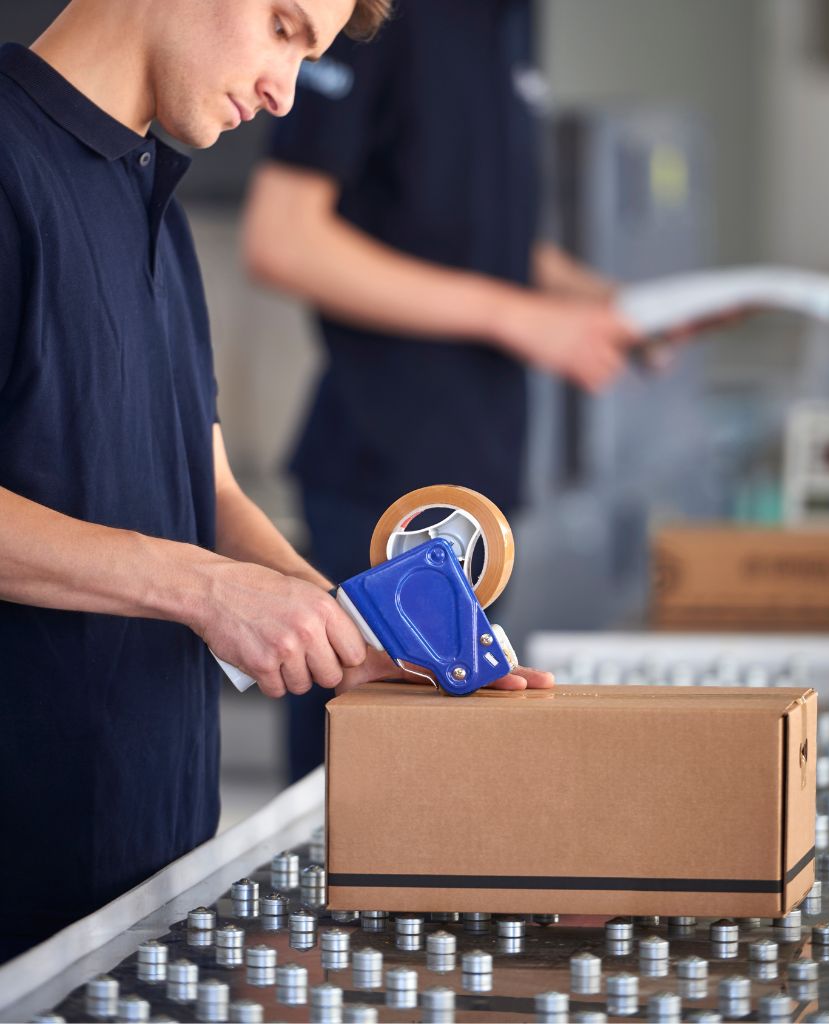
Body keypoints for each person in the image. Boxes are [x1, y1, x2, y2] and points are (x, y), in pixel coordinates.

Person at [0, 0, 554, 962]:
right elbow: (201, 569)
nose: (286, 91)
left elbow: (205, 494)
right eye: (284, 28)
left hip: (151, 869)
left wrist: (357, 632)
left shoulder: (152, 204)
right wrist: (208, 592)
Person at [242, 0, 640, 782]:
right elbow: (282, 236)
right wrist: (518, 318)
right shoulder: (375, 17)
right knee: (367, 798)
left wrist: (600, 304)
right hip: (388, 479)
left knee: (452, 791)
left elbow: (476, 233)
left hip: (484, 472)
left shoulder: (509, 20)